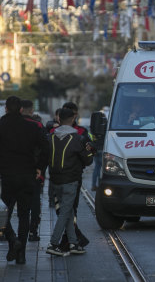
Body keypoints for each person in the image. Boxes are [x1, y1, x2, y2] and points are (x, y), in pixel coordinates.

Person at [0, 96, 50, 265]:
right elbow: (47, 148)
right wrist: (40, 167)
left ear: (6, 109)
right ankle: (21, 254)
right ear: (21, 109)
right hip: (27, 175)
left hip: (7, 176)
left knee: (4, 213)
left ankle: (12, 239)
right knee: (24, 215)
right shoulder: (31, 127)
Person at [46, 107, 94, 257]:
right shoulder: (77, 139)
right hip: (71, 180)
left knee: (68, 210)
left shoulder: (51, 137)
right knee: (66, 212)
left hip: (54, 180)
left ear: (58, 119)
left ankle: (73, 243)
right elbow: (88, 160)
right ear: (73, 119)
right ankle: (54, 243)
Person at [57, 102, 95, 251]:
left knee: (71, 209)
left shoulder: (82, 132)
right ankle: (71, 238)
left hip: (74, 175)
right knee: (64, 209)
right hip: (62, 175)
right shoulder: (56, 131)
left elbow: (89, 149)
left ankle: (68, 239)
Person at [21, 99, 47, 242]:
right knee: (34, 203)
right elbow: (45, 149)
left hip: (14, 171)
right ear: (31, 110)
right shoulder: (37, 126)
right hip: (32, 171)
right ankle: (32, 230)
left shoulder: (10, 125)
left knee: (16, 203)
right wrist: (40, 169)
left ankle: (11, 232)